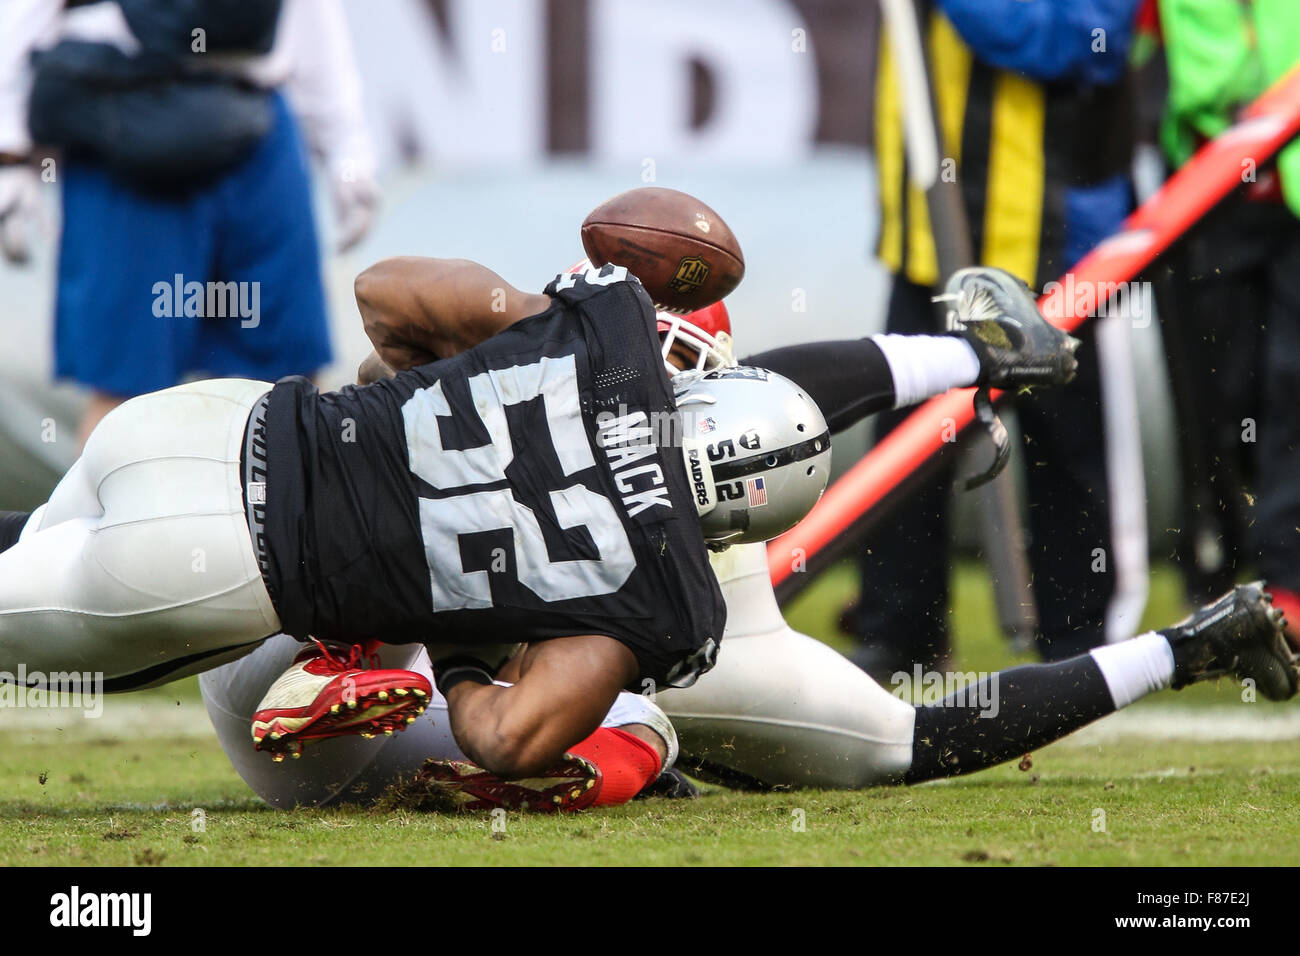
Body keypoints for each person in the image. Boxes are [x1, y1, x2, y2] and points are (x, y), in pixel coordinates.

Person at [197, 265, 1294, 812]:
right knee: (648, 727)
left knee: (391, 426)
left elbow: (388, 308)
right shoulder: (714, 628)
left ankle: (360, 658)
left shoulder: (561, 385)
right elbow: (933, 739)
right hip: (333, 702)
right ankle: (512, 739)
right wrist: (1178, 650)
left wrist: (968, 359)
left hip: (255, 613)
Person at [0, 249, 839, 798]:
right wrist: (464, 657)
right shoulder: (669, 605)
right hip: (218, 565)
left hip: (207, 422)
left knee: (33, 536)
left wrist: (434, 381)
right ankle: (342, 655)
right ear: (731, 526)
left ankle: (343, 659)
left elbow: (381, 288)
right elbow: (510, 739)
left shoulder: (610, 331)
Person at [854, 0, 1147, 674]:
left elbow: (1087, 43)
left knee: (1069, 448)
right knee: (904, 445)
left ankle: (1080, 642)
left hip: (1050, 241)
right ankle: (901, 634)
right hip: (929, 242)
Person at [0, 0, 378, 444]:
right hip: (124, 119)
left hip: (256, 117)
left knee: (291, 387)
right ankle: (120, 515)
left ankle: (282, 513)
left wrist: (347, 146)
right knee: (124, 400)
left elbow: (312, 12)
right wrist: (10, 152)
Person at [1150, 0, 1300, 644]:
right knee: (1216, 391)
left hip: (1292, 181)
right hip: (1207, 177)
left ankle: (1285, 582)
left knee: (1292, 383)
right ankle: (1216, 573)